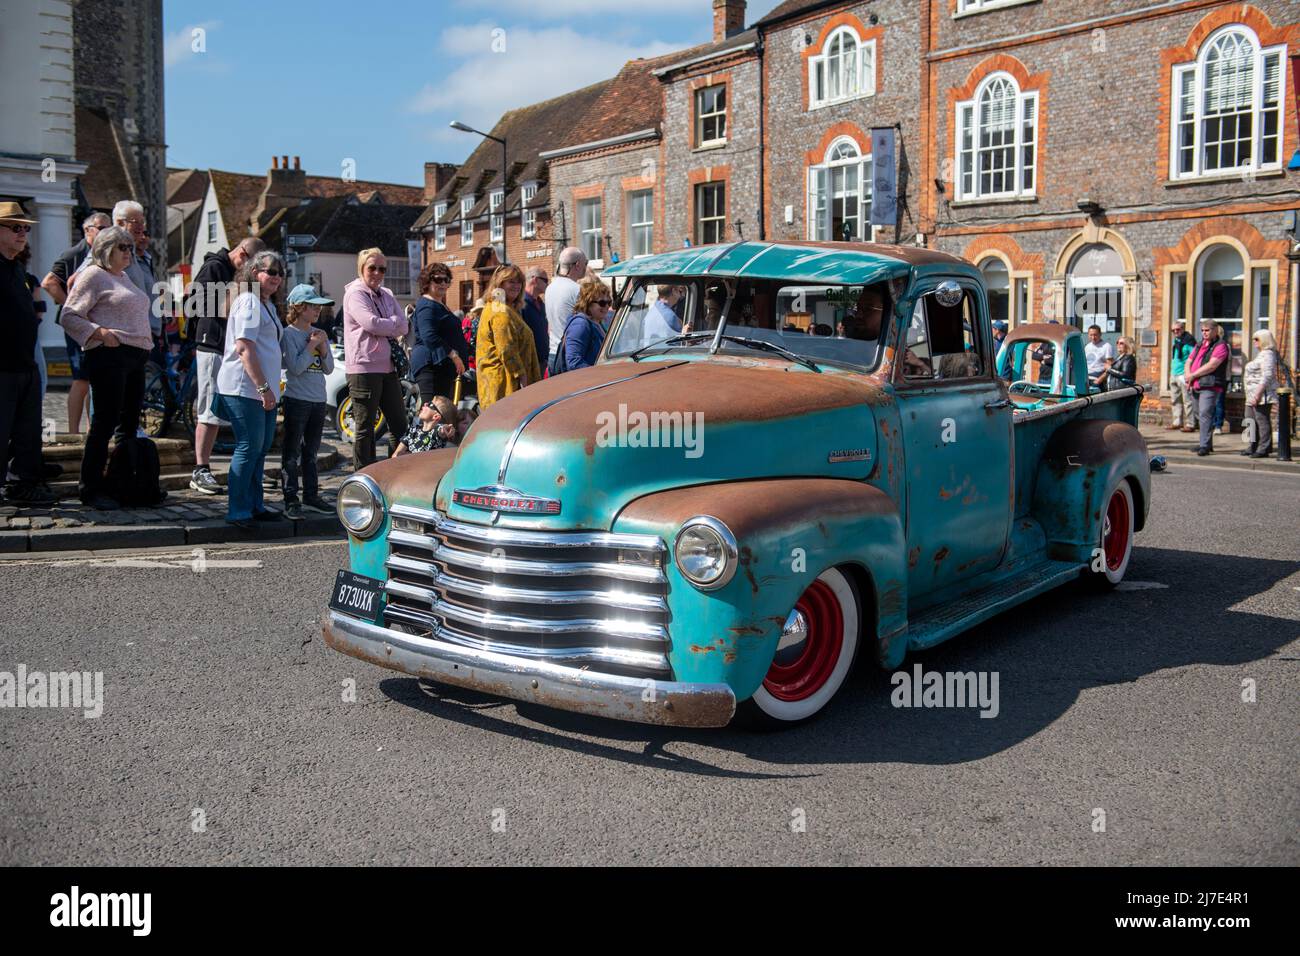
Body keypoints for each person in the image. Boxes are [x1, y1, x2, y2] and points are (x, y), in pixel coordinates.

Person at [59, 226, 154, 508]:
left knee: (128, 424)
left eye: (129, 247)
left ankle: (124, 482)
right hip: (110, 354)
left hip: (135, 355)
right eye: (122, 247)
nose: (129, 252)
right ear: (105, 249)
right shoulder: (93, 275)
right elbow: (69, 315)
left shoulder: (123, 277)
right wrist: (100, 333)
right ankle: (90, 488)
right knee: (104, 422)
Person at [186, 236, 266, 494]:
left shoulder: (243, 277)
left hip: (232, 349)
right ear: (242, 255)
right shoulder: (214, 267)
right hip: (212, 345)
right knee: (209, 408)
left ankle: (248, 470)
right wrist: (234, 294)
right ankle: (201, 469)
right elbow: (193, 304)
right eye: (253, 267)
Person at [213, 251, 285, 528]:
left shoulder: (264, 303)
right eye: (271, 271)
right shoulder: (249, 302)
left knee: (260, 448)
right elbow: (244, 348)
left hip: (262, 390)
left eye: (280, 273)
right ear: (256, 273)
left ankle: (255, 504)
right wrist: (264, 387)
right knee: (248, 446)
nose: (276, 277)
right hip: (245, 388)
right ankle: (238, 509)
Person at [0, 202, 58, 505]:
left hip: (25, 364)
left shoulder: (18, 269)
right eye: (15, 227)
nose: (23, 233)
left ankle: (23, 482)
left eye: (26, 228)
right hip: (3, 366)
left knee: (27, 430)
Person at [41, 212, 110, 434]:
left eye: (108, 228)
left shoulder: (104, 253)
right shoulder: (75, 253)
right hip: (77, 327)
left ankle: (92, 430)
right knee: (81, 378)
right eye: (101, 228)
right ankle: (72, 433)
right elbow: (49, 283)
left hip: (96, 325)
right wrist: (73, 307)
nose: (105, 233)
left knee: (95, 379)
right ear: (87, 230)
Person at [343, 247, 409, 468]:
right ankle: (363, 476)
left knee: (399, 424)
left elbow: (405, 326)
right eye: (372, 268)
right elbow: (370, 323)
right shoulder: (355, 293)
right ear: (362, 268)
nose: (378, 273)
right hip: (364, 368)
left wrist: (386, 325)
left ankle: (394, 471)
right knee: (365, 427)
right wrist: (392, 324)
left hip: (388, 367)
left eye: (382, 269)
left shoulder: (387, 294)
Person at [280, 284, 336, 520]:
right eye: (313, 306)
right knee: (291, 453)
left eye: (318, 307)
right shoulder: (289, 334)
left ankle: (311, 496)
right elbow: (294, 367)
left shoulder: (319, 333)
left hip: (317, 400)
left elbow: (329, 368)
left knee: (311, 453)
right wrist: (311, 345)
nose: (317, 311)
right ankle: (290, 498)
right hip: (297, 399)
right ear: (299, 307)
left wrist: (323, 349)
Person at [476, 264, 540, 409]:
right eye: (511, 281)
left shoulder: (499, 307)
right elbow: (506, 349)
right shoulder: (499, 310)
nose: (516, 286)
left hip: (499, 386)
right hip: (505, 387)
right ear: (500, 283)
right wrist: (523, 379)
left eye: (519, 282)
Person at [409, 262, 467, 406]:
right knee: (432, 412)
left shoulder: (438, 304)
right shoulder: (426, 306)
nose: (443, 283)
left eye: (446, 279)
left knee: (441, 413)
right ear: (427, 282)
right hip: (430, 365)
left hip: (442, 367)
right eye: (438, 279)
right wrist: (454, 355)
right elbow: (429, 336)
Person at [1184, 319, 1229, 456]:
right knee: (1199, 414)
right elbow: (1189, 361)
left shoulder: (1221, 346)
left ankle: (1204, 445)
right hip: (1196, 384)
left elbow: (1212, 365)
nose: (1204, 333)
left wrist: (1193, 375)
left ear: (1215, 330)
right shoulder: (1200, 345)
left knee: (1205, 414)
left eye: (1207, 330)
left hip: (1210, 385)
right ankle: (1206, 444)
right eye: (1202, 330)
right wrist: (1188, 375)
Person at [557, 279, 612, 373]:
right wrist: (598, 373)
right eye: (602, 303)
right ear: (588, 303)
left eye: (609, 302)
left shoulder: (598, 323)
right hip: (586, 381)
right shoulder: (580, 325)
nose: (607, 306)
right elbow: (574, 362)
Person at [544, 246, 586, 363]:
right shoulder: (577, 289)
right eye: (585, 263)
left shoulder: (549, 288)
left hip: (553, 353)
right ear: (577, 265)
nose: (585, 267)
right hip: (571, 353)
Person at [1241, 330, 1279, 458]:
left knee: (1262, 421)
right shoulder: (1261, 354)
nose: (1254, 342)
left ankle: (1264, 448)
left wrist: (1257, 394)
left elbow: (1267, 376)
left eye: (1256, 339)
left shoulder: (1268, 354)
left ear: (1264, 340)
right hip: (1251, 394)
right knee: (1249, 420)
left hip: (1262, 395)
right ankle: (1252, 445)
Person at [394, 396, 459, 456]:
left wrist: (445, 428)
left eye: (429, 404)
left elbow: (441, 430)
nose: (425, 404)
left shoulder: (436, 434)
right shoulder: (412, 430)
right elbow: (396, 454)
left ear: (436, 416)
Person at [1167, 318, 1197, 432]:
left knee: (1187, 400)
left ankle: (1190, 424)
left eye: (1177, 329)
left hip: (1184, 374)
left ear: (1183, 329)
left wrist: (1189, 374)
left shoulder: (1189, 341)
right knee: (1175, 400)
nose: (1175, 332)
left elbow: (1193, 358)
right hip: (1174, 373)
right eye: (1173, 330)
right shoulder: (1177, 341)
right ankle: (1177, 422)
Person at [521, 266, 550, 365]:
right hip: (528, 362)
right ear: (535, 280)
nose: (548, 284)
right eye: (545, 280)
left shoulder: (541, 304)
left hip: (542, 360)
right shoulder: (521, 304)